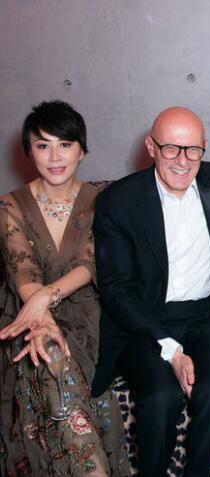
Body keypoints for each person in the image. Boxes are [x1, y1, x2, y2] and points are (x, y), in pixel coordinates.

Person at [91, 106, 210, 477]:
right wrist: (171, 351)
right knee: (162, 396)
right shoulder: (118, 201)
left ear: (204, 147)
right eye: (171, 148)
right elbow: (117, 290)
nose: (183, 160)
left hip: (205, 315)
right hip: (143, 322)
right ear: (151, 147)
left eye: (193, 149)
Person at [0, 101, 130, 476]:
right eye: (43, 145)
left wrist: (48, 296)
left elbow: (90, 263)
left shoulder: (104, 202)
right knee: (47, 353)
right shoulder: (9, 205)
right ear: (29, 151)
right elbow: (22, 268)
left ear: (82, 150)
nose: (54, 157)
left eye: (65, 144)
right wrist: (42, 316)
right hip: (26, 312)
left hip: (88, 313)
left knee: (52, 353)